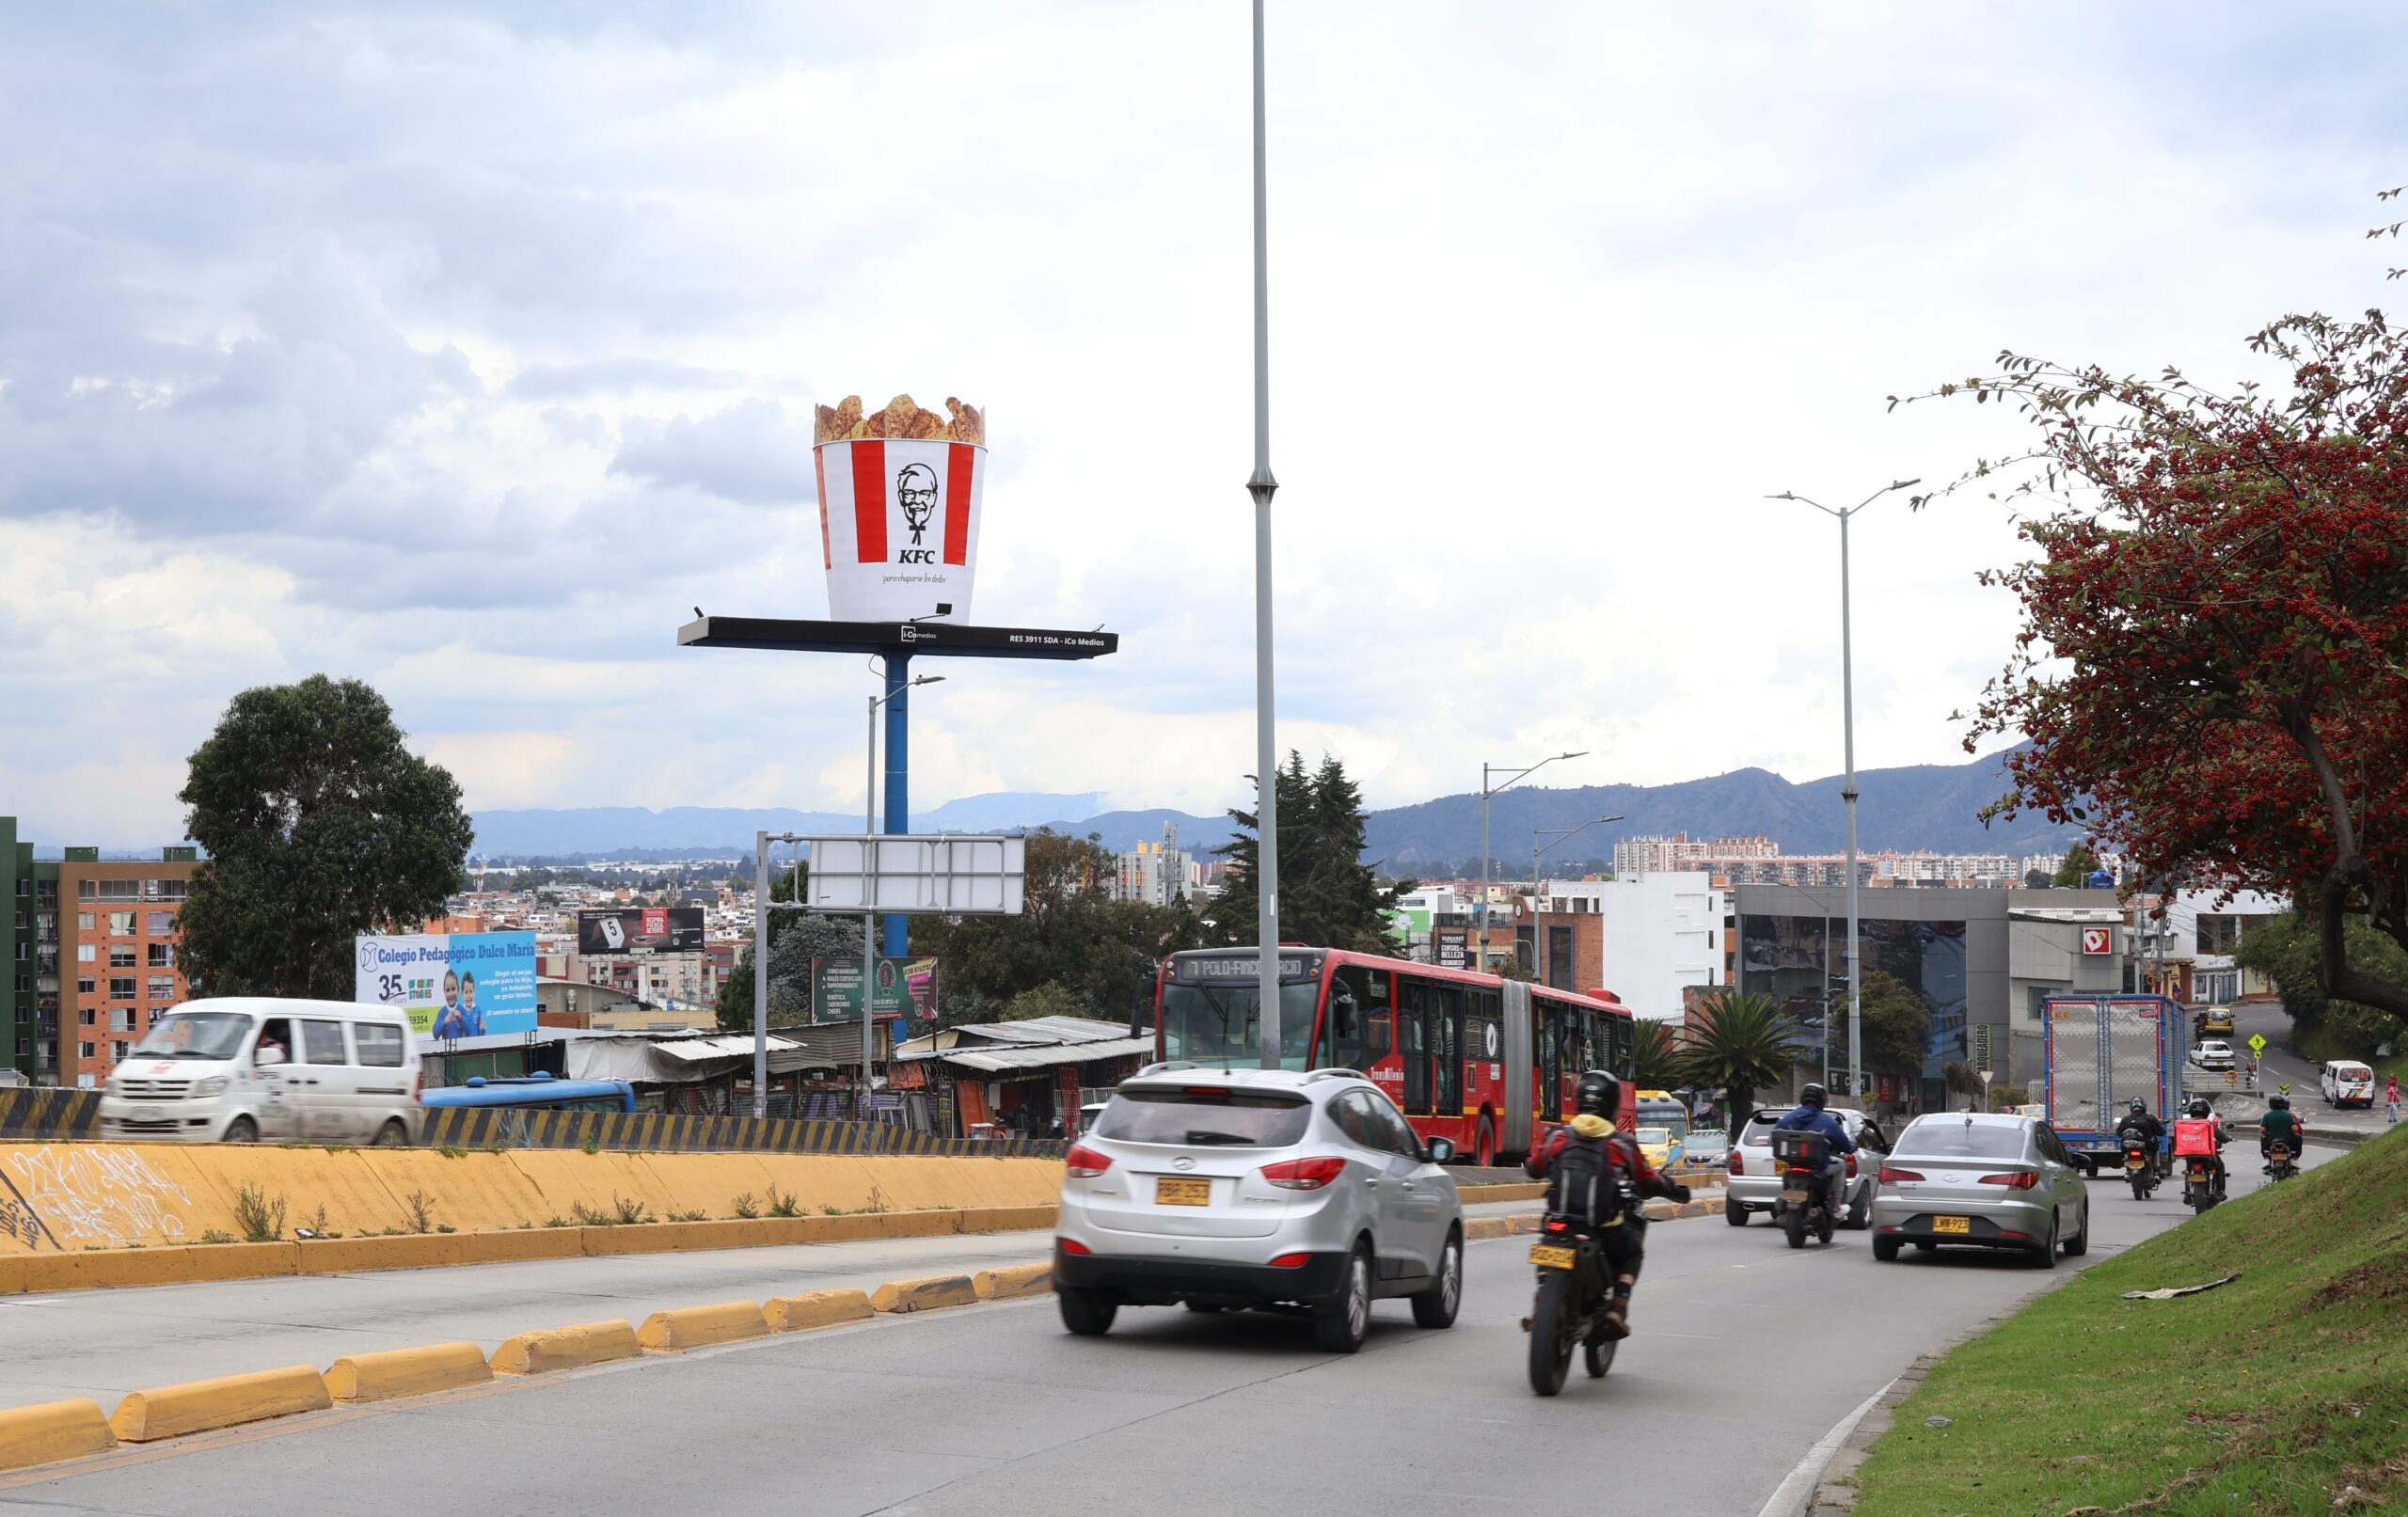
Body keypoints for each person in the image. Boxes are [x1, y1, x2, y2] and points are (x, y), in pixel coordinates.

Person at [1524, 1069, 1688, 1340]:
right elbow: (1647, 1180)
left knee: (1547, 1238)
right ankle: (1619, 1305)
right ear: (1612, 1104)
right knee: (1632, 1252)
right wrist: (1671, 1189)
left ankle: (1544, 1291)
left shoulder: (1558, 1137)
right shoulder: (1620, 1143)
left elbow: (1535, 1168)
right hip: (1601, 1229)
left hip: (1558, 1224)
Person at [1773, 1082, 1858, 1220]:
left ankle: (1785, 1200)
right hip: (1818, 1168)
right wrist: (1851, 1147)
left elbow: (1775, 1137)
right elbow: (1844, 1145)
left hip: (1791, 1167)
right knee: (1841, 1165)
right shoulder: (1827, 1121)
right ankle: (1836, 1205)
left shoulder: (1788, 1118)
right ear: (1821, 1101)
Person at [2171, 1097, 2228, 1199]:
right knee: (2220, 1167)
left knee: (2188, 1170)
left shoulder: (2185, 1125)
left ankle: (2187, 1193)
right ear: (2206, 1111)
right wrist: (2228, 1138)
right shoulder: (2208, 1124)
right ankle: (2220, 1191)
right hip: (2207, 1155)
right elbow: (2223, 1138)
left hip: (2190, 1155)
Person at [2115, 1098, 2167, 1177]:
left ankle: (2127, 1170)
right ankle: (2156, 1170)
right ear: (2144, 1107)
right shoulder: (2150, 1118)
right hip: (2148, 1146)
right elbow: (2161, 1132)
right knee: (2156, 1149)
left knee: (2125, 1150)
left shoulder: (2126, 1119)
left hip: (2129, 1148)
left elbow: (2119, 1132)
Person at [2258, 1093, 2303, 1170]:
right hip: (2288, 1140)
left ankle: (2267, 1159)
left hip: (2271, 1140)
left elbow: (2262, 1130)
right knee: (2299, 1138)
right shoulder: (2289, 1115)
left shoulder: (2267, 1115)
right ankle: (2294, 1159)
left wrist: (2266, 1134)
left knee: (2263, 1138)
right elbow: (2295, 1129)